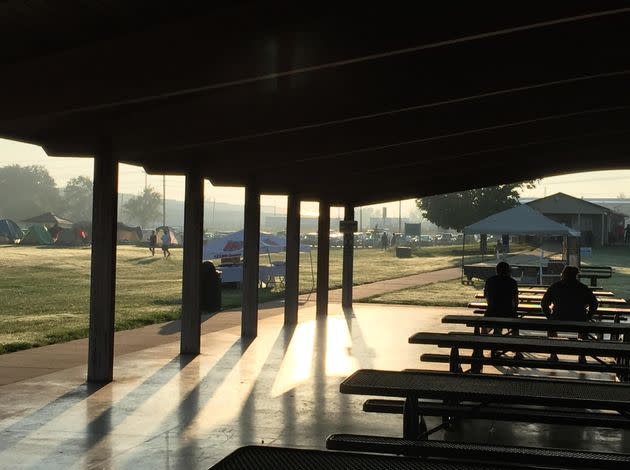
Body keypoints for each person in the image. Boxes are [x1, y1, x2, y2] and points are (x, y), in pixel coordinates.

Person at [541, 266, 598, 362]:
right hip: (579, 318)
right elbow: (594, 303)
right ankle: (582, 356)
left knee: (551, 328)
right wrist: (588, 316)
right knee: (583, 330)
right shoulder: (582, 287)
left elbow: (544, 303)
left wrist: (549, 316)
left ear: (563, 274)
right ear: (576, 276)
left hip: (558, 318)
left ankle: (553, 354)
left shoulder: (555, 286)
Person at [483, 262, 520, 358]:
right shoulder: (512, 282)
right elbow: (516, 301)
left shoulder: (489, 281)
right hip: (508, 312)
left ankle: (485, 348)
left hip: (491, 312)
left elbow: (486, 297)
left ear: (496, 271)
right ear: (508, 271)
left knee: (491, 324)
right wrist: (514, 309)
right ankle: (517, 351)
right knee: (515, 327)